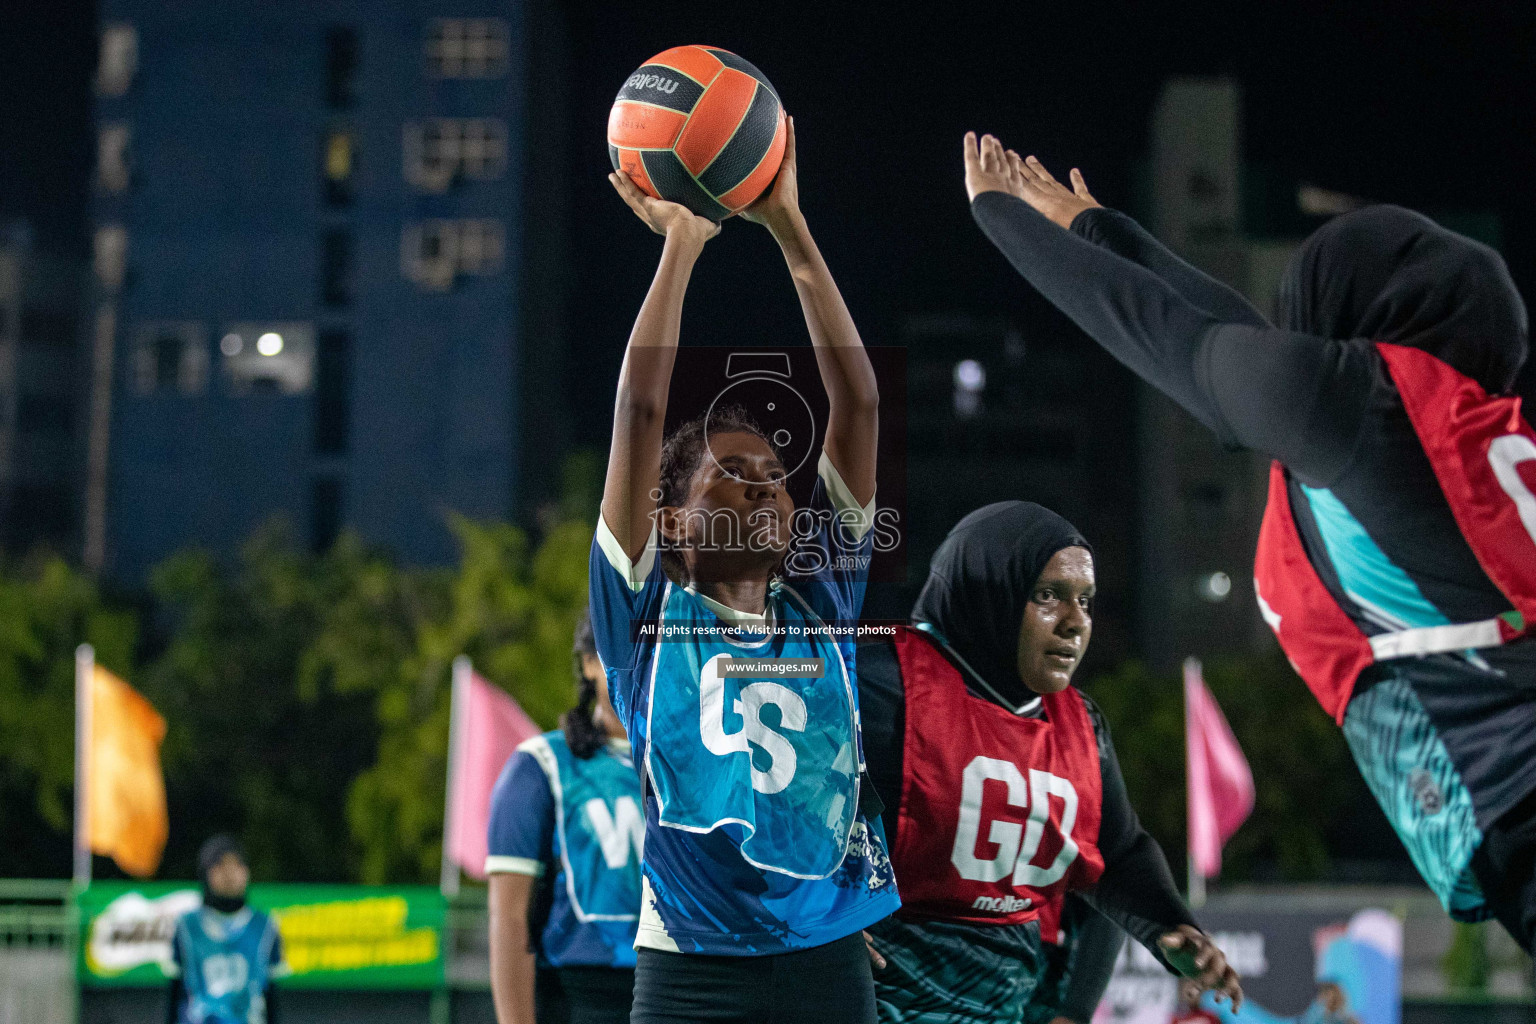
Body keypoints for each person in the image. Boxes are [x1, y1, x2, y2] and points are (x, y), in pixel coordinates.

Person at [962, 132, 1536, 951]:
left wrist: (1002, 219)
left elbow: (1176, 339)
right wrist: (1097, 228)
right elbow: (1236, 340)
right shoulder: (1416, 428)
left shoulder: (1357, 412)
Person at [590, 115, 896, 1024]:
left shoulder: (825, 600)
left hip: (828, 951)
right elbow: (643, 409)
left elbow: (861, 400)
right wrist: (682, 245)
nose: (764, 487)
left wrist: (790, 227)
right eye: (731, 475)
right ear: (668, 523)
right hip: (693, 965)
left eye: (774, 476)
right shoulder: (644, 621)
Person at [856, 501, 1242, 1023]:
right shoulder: (884, 683)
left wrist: (1169, 927)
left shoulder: (1079, 724)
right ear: (987, 591)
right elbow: (781, 812)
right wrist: (815, 915)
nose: (1075, 623)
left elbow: (1117, 851)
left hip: (1003, 1007)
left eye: (1085, 600)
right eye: (1048, 596)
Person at [486, 609, 641, 1024]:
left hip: (685, 992)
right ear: (590, 663)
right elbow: (508, 916)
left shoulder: (699, 767)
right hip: (579, 998)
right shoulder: (541, 766)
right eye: (625, 646)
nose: (641, 660)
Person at [166, 835, 285, 1024]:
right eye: (220, 865)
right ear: (206, 872)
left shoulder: (265, 927)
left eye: (237, 865)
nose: (229, 873)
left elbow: (273, 997)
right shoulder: (187, 927)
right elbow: (174, 995)